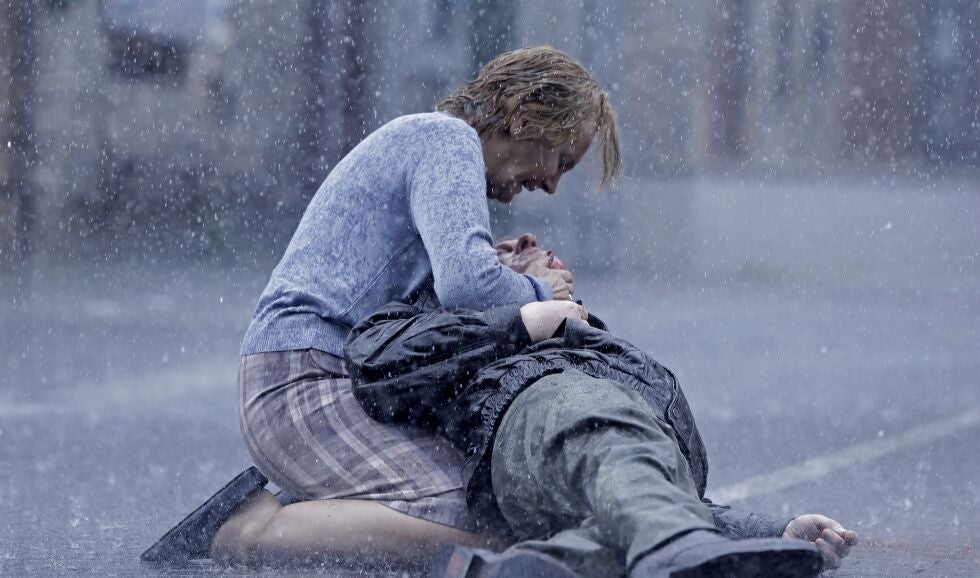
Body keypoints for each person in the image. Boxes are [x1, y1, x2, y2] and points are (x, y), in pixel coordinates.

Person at [140, 47, 621, 565]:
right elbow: (468, 287)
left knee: (478, 503)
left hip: (329, 377)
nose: (550, 185)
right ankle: (249, 532)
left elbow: (437, 313)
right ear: (525, 117)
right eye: (560, 160)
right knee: (455, 512)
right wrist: (545, 295)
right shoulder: (448, 141)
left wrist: (507, 272)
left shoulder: (440, 147)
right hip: (301, 381)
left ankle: (316, 515)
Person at [338, 234, 859, 577]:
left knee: (622, 523)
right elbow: (373, 358)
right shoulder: (441, 307)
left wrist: (771, 531)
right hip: (538, 416)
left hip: (599, 457)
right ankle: (673, 544)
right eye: (501, 250)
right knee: (599, 417)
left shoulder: (589, 345)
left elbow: (640, 484)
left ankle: (543, 566)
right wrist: (522, 321)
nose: (529, 240)